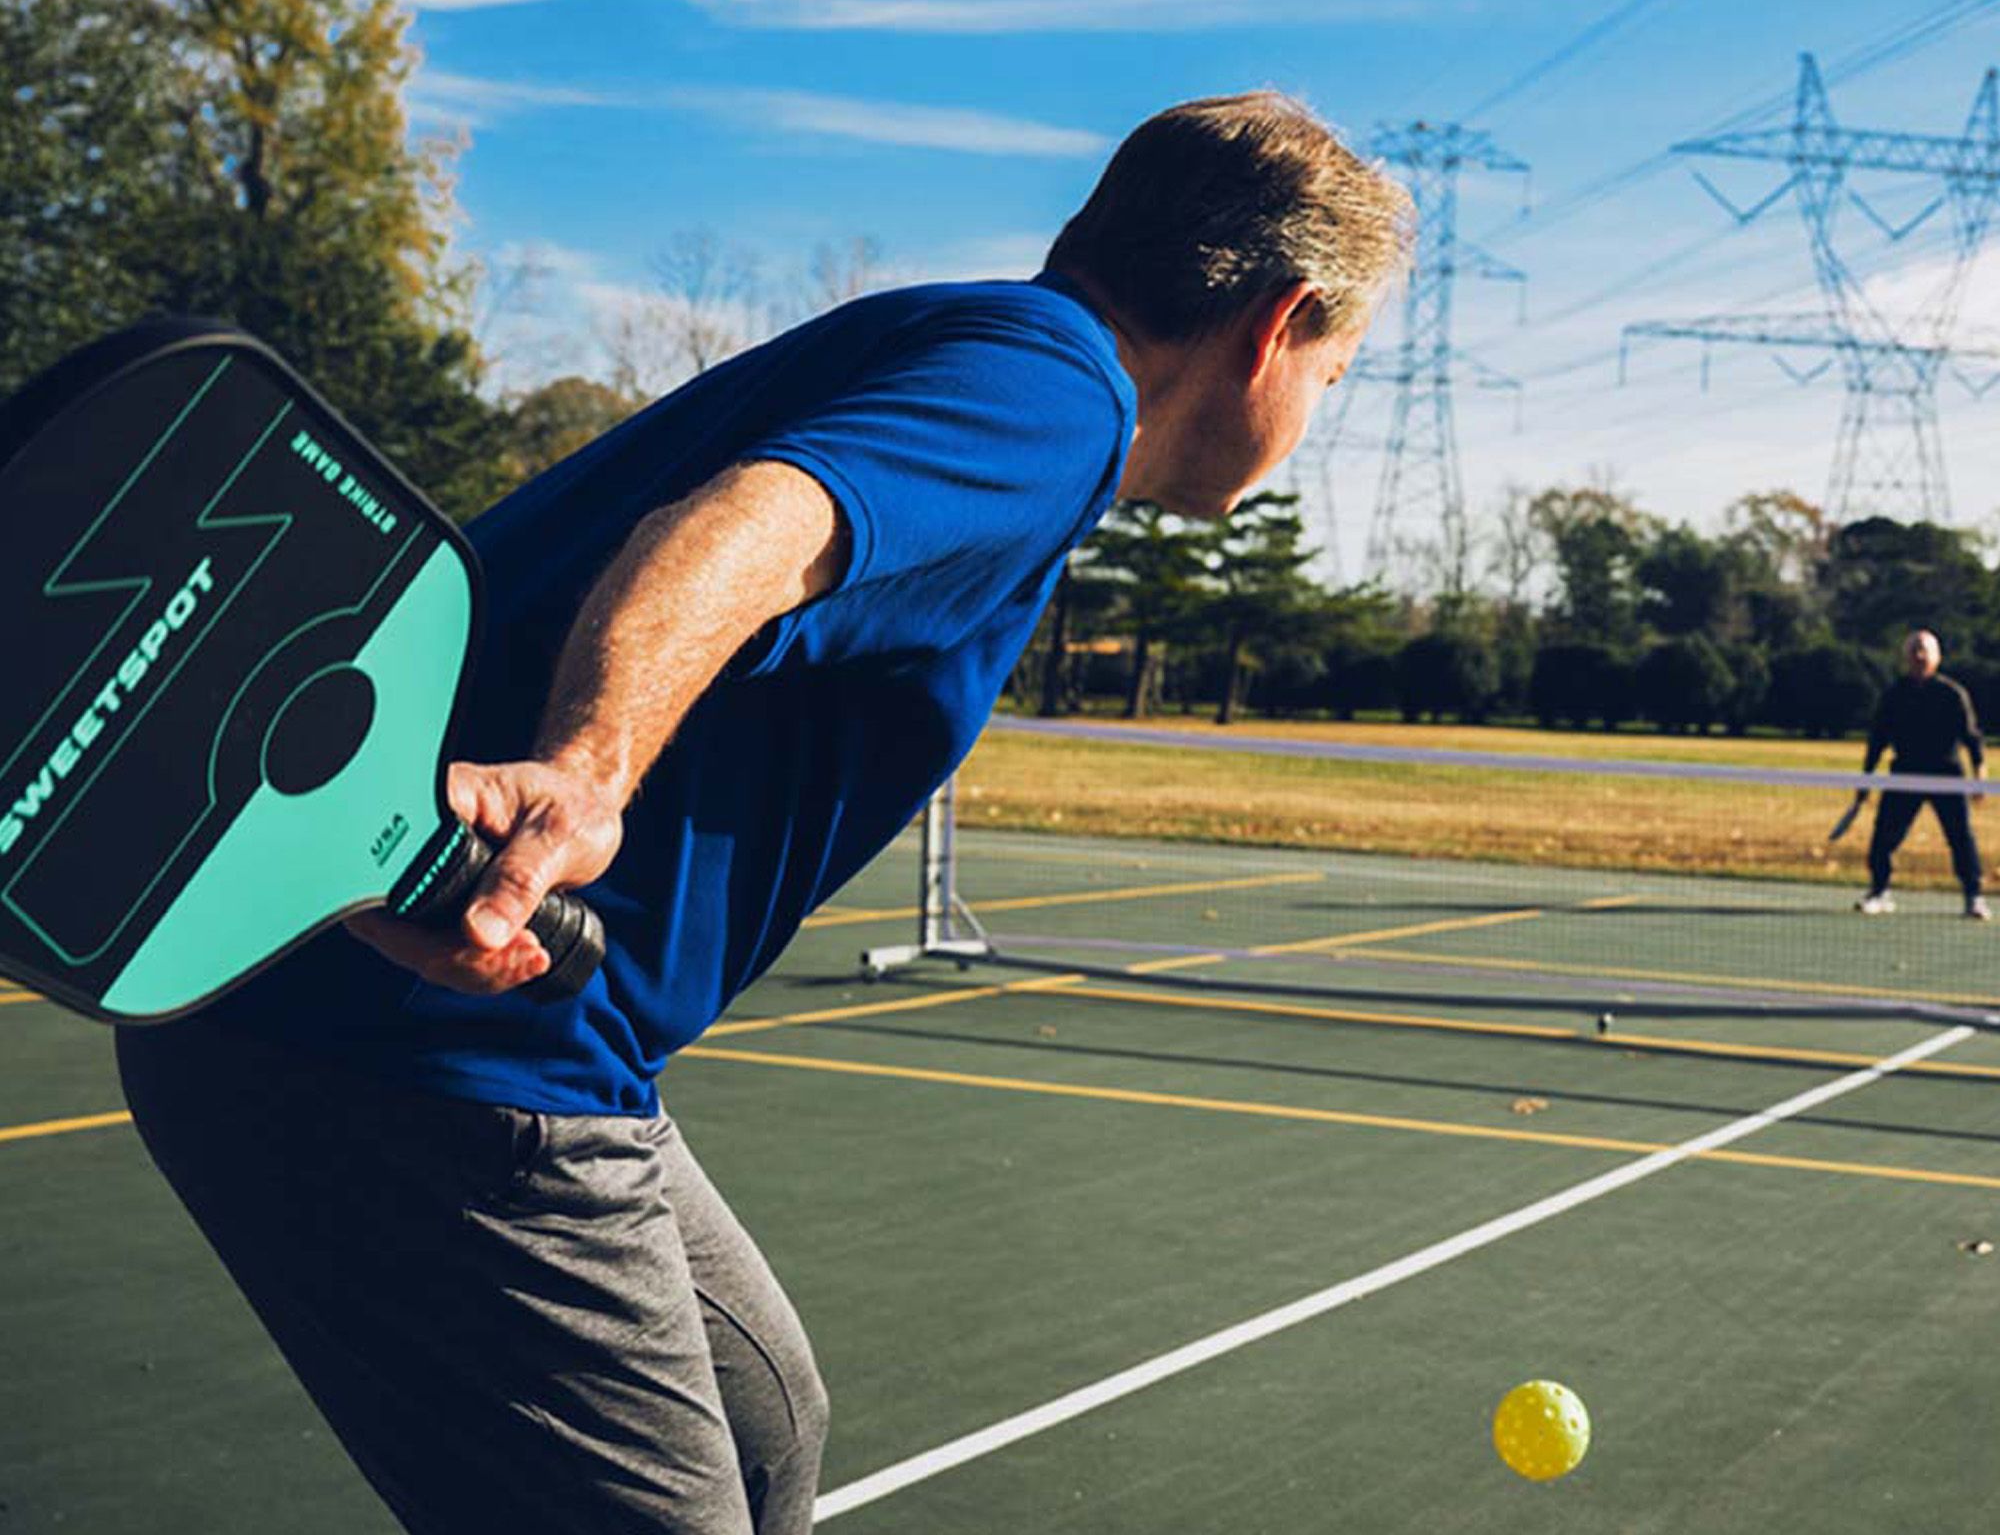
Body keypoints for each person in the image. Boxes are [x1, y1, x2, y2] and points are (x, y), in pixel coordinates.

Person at [113, 92, 1413, 1535]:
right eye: (1336, 372)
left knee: (766, 1427)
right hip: (422, 1058)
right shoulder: (1056, 399)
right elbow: (754, 527)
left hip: (439, 1023)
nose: (1318, 408)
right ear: (1275, 325)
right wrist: (588, 768)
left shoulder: (981, 346)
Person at [1850, 628, 1989, 919]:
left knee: (1960, 837)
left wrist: (1980, 777)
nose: (1919, 656)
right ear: (1906, 657)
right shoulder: (1894, 695)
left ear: (1937, 657)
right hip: (1905, 774)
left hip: (1946, 775)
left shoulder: (1952, 694)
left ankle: (1974, 897)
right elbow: (1877, 740)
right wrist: (1865, 780)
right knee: (1884, 835)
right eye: (1914, 650)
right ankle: (1879, 891)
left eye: (1925, 651)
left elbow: (1972, 738)